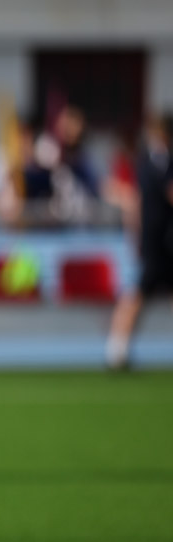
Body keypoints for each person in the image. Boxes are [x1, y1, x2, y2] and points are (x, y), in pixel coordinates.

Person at [107, 112, 173, 369]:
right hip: (158, 244)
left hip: (161, 243)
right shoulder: (155, 163)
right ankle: (117, 349)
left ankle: (118, 349)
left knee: (140, 294)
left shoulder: (148, 162)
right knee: (137, 294)